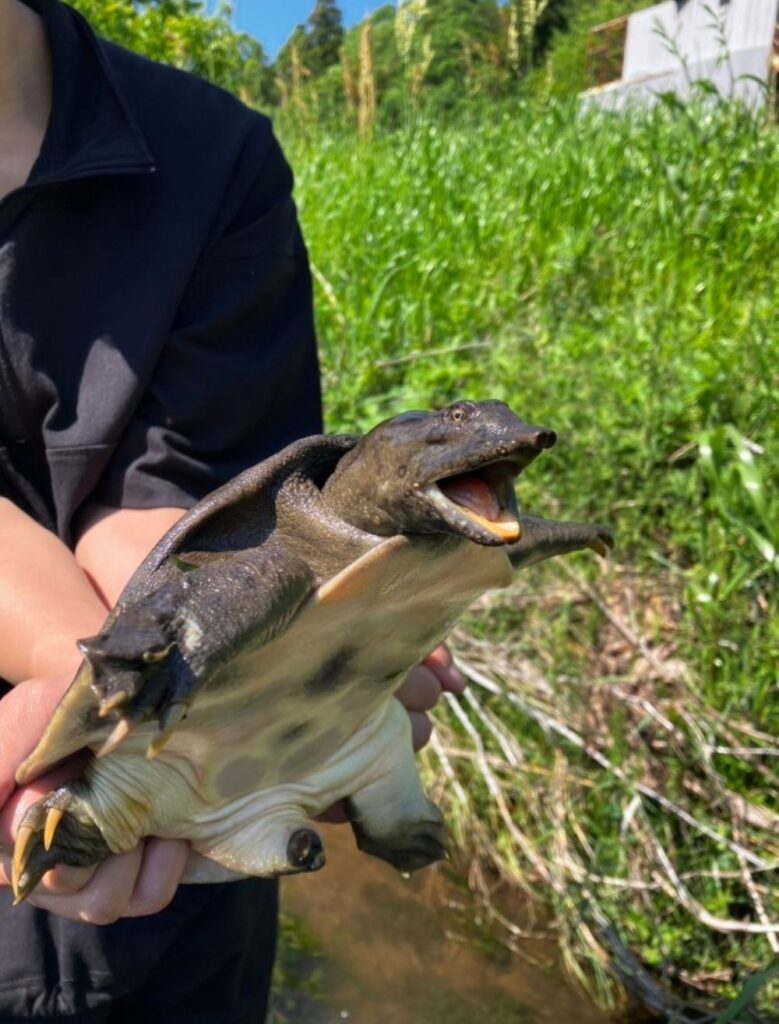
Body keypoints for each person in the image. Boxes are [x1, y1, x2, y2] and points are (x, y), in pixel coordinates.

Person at [0, 0, 464, 1019]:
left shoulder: (207, 158)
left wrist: (237, 646)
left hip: (183, 915)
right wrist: (114, 680)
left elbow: (177, 511)